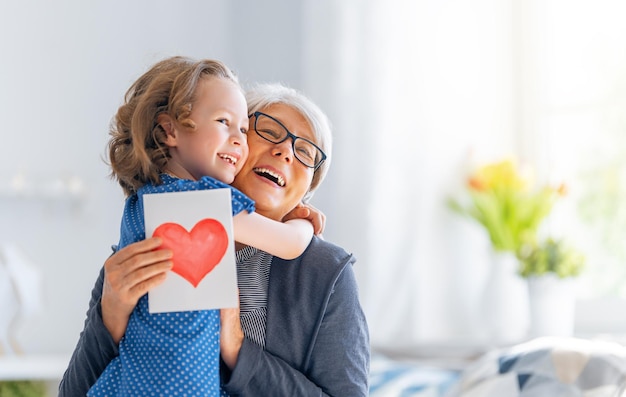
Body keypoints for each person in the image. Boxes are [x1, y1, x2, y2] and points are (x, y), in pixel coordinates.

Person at [59, 81, 370, 396]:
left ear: (307, 188)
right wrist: (109, 316)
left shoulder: (326, 271)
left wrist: (238, 349)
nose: (285, 151)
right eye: (269, 131)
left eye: (305, 151)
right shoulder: (142, 247)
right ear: (227, 146)